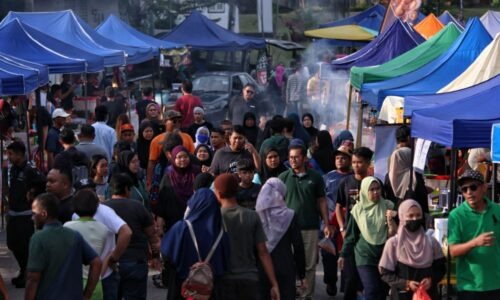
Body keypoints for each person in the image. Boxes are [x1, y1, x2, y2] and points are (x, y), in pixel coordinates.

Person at [213, 174, 280, 300]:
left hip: (223, 279)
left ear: (218, 193)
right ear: (237, 190)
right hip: (249, 278)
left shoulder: (214, 218)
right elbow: (263, 253)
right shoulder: (252, 216)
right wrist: (274, 283)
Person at [278, 144, 332, 299]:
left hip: (310, 227)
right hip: (287, 229)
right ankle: (289, 294)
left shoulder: (315, 177)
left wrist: (326, 224)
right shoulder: (283, 178)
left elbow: (321, 201)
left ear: (304, 158)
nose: (293, 160)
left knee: (309, 265)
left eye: (296, 157)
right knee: (289, 264)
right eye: (290, 157)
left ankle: (306, 295)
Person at [26, 193, 101, 300]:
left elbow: (33, 278)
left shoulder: (38, 238)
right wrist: (86, 295)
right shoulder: (75, 235)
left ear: (44, 214)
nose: (32, 218)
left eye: (34, 214)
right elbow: (97, 262)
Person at [161, 188, 229, 300]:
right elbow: (225, 261)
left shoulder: (181, 228)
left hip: (183, 288)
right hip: (210, 291)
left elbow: (166, 254)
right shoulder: (221, 233)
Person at [338, 177, 396, 300]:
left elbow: (397, 232)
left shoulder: (388, 206)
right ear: (364, 191)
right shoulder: (358, 210)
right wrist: (343, 255)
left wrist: (393, 217)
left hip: (384, 256)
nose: (376, 192)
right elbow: (351, 236)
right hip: (365, 256)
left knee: (382, 291)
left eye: (378, 189)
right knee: (371, 289)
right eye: (372, 189)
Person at [103, 174, 160, 300]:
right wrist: (156, 257)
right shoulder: (138, 206)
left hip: (110, 263)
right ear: (127, 189)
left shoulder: (103, 208)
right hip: (136, 262)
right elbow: (152, 236)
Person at [448, 170, 500, 299]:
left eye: (473, 187)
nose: (469, 192)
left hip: (496, 284)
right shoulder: (456, 215)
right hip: (469, 287)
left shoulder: (497, 210)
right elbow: (452, 251)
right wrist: (475, 243)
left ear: (484, 187)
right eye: (464, 189)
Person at [379, 199, 446, 300]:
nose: (415, 219)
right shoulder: (393, 244)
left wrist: (431, 280)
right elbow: (385, 273)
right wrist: (406, 284)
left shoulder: (431, 242)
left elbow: (441, 269)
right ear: (402, 217)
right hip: (401, 295)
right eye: (410, 216)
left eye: (418, 215)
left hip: (427, 295)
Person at [255, 178, 306, 300]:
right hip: (285, 266)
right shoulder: (290, 215)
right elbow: (298, 246)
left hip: (261, 268)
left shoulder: (255, 216)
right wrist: (302, 274)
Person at [5, 141, 46, 289]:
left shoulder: (30, 169)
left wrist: (33, 193)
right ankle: (24, 270)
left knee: (23, 246)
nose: (8, 157)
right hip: (13, 213)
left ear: (20, 154)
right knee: (12, 244)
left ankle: (28, 274)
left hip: (25, 215)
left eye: (11, 154)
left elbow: (43, 182)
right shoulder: (14, 169)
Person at [335, 146, 372, 299]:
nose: (356, 165)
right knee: (349, 279)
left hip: (369, 238)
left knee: (367, 280)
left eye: (360, 162)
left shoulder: (374, 184)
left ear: (368, 163)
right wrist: (343, 228)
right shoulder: (345, 182)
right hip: (350, 237)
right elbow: (338, 207)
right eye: (355, 162)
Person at [64, 189, 112, 300]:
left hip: (73, 282)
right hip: (95, 283)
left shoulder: (67, 227)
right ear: (96, 207)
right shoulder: (103, 229)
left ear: (74, 207)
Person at [322, 144, 353, 296]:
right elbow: (321, 200)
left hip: (349, 224)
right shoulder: (327, 178)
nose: (340, 160)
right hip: (330, 223)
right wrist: (325, 222)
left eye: (343, 158)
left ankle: (346, 287)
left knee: (347, 256)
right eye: (337, 158)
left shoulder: (354, 178)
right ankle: (330, 281)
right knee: (328, 255)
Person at [155, 146, 200, 231]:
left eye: (185, 156)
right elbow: (161, 201)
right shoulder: (168, 176)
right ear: (173, 159)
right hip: (173, 223)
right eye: (179, 157)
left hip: (194, 220)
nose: (183, 159)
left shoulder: (196, 172)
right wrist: (160, 225)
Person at [147, 110, 195, 186]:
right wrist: (149, 183)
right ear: (165, 122)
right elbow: (152, 162)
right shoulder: (156, 140)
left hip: (185, 178)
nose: (177, 124)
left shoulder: (187, 137)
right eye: (174, 121)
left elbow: (192, 158)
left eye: (179, 121)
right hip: (164, 179)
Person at [386, 147, 429, 213]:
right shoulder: (415, 176)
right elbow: (422, 196)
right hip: (415, 214)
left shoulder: (388, 176)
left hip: (397, 216)